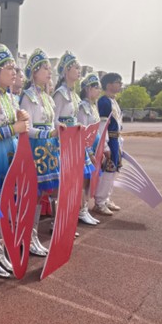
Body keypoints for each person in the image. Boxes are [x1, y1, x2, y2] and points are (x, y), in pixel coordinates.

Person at [0, 45, 30, 274]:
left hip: (9, 155)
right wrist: (12, 128)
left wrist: (22, 121)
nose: (14, 72)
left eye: (15, 68)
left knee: (7, 204)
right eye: (9, 68)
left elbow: (19, 127)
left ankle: (0, 249)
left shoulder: (12, 97)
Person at [20, 49, 61, 257]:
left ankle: (33, 234)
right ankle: (27, 236)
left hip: (49, 148)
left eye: (49, 68)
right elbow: (26, 128)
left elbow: (53, 123)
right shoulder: (27, 97)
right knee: (33, 194)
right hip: (35, 148)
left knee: (43, 193)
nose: (49, 72)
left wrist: (59, 132)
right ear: (34, 71)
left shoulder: (47, 97)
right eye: (45, 68)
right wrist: (48, 134)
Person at [53, 51, 94, 229]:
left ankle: (74, 214)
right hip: (63, 142)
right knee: (64, 182)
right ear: (66, 70)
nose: (79, 71)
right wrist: (64, 128)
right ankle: (57, 222)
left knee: (76, 181)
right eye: (76, 67)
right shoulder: (60, 94)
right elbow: (54, 120)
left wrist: (79, 126)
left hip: (75, 141)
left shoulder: (75, 96)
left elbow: (75, 118)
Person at [92, 73, 124, 215]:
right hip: (109, 140)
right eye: (118, 82)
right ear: (109, 84)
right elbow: (102, 126)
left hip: (116, 140)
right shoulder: (104, 102)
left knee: (112, 171)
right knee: (107, 171)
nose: (120, 85)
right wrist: (104, 145)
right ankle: (100, 202)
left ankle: (106, 199)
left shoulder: (113, 101)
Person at [77, 73, 103, 225]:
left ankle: (85, 209)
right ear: (87, 88)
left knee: (89, 181)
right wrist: (90, 152)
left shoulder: (93, 106)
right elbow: (84, 132)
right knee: (84, 180)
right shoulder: (82, 107)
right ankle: (81, 211)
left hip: (94, 147)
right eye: (96, 87)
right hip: (85, 149)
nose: (99, 90)